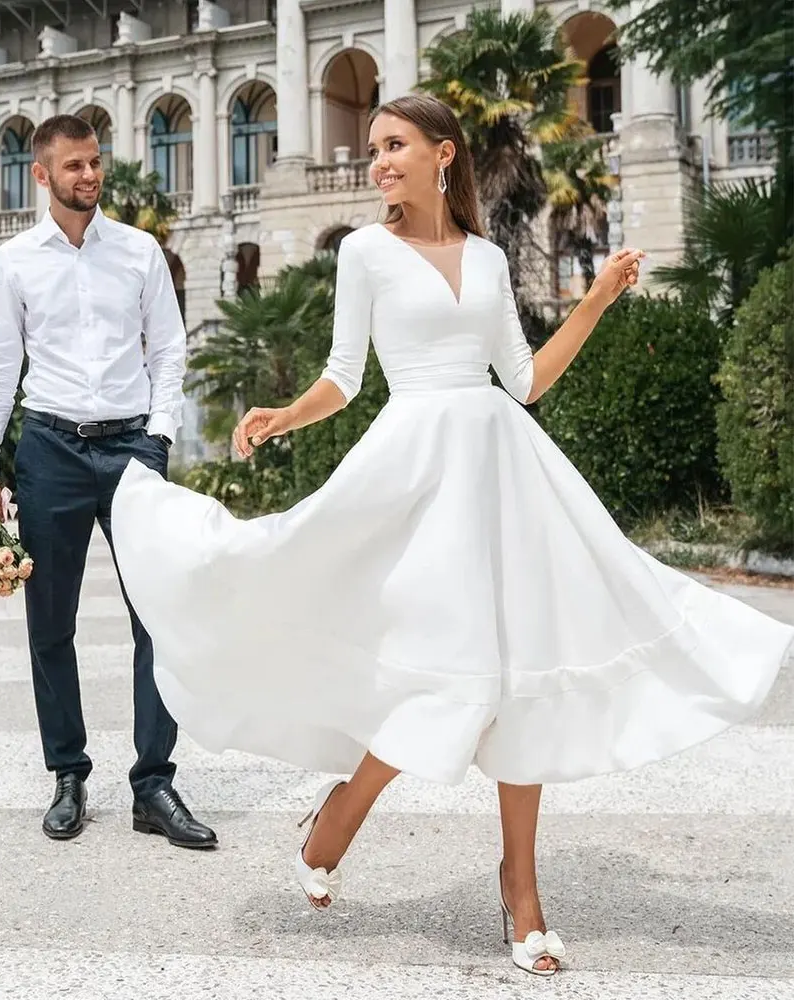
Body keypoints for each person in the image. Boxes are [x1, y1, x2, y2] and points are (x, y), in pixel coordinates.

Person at [108, 95, 793, 974]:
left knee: (521, 674)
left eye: (394, 145)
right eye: (372, 149)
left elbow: (525, 380)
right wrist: (285, 416)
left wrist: (595, 299)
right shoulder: (362, 251)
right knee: (443, 672)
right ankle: (341, 815)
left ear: (443, 153)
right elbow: (346, 377)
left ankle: (522, 889)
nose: (377, 161)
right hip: (415, 473)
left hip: (502, 471)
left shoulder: (490, 259)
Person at [0, 114, 216, 850]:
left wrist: (161, 434)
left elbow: (169, 350)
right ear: (41, 175)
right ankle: (68, 775)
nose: (90, 176)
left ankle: (154, 784)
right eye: (73, 166)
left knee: (158, 616)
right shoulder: (15, 262)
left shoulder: (139, 251)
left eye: (96, 162)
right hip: (49, 448)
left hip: (133, 444)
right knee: (51, 622)